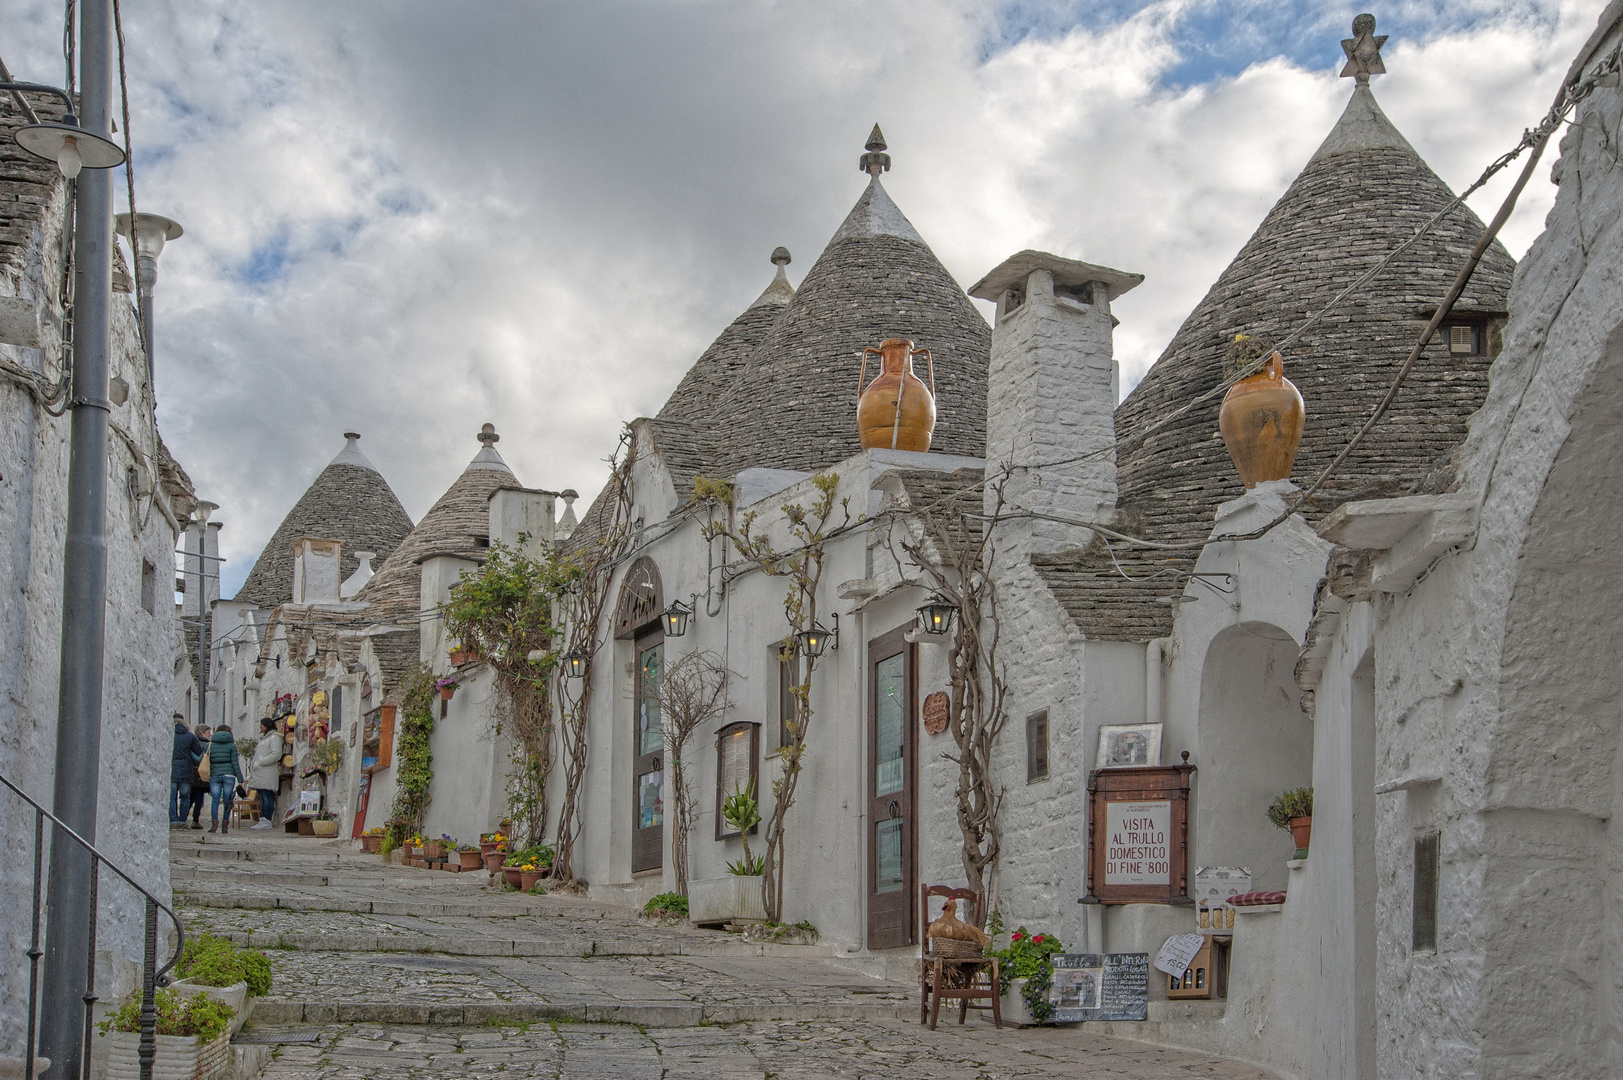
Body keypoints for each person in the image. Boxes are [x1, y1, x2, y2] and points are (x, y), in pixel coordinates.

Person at [206, 723, 243, 833]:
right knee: (227, 800)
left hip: (215, 773)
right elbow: (235, 763)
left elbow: (202, 758)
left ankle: (214, 823)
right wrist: (240, 779)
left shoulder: (210, 745)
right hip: (229, 775)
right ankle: (225, 825)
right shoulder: (232, 746)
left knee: (215, 800)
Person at [248, 717, 283, 830]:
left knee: (267, 795)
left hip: (266, 771)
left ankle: (267, 819)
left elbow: (276, 754)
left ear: (267, 726)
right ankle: (262, 818)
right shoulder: (264, 739)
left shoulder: (274, 738)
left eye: (262, 725)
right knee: (262, 795)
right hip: (260, 771)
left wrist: (261, 762)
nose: (260, 727)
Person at [169, 715, 203, 829]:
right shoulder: (190, 736)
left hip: (172, 769)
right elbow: (198, 752)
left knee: (171, 796)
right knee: (185, 796)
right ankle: (183, 820)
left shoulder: (168, 735)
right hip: (186, 770)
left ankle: (173, 820)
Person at [186, 726, 212, 829]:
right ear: (202, 733)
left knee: (191, 797)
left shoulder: (191, 742)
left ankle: (183, 817)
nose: (210, 734)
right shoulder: (208, 745)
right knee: (199, 798)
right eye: (208, 732)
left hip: (192, 772)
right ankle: (195, 820)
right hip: (202, 772)